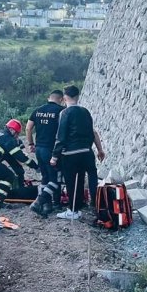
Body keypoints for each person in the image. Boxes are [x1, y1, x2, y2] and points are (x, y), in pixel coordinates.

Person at [50, 85, 105, 220]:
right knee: (89, 177)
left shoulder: (65, 113)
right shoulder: (85, 112)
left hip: (70, 153)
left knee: (71, 182)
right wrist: (99, 149)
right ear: (77, 96)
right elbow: (93, 132)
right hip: (87, 152)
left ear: (64, 98)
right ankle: (96, 205)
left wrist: (54, 156)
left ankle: (73, 210)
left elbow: (61, 136)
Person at [26, 89, 64, 206]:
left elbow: (28, 128)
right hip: (52, 150)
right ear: (61, 99)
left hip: (39, 149)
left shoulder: (37, 110)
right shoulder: (61, 111)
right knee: (55, 179)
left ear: (49, 98)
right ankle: (44, 202)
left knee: (45, 177)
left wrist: (31, 144)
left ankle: (46, 205)